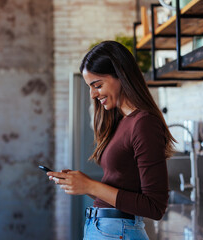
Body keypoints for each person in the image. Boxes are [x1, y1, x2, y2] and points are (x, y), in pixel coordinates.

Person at [47, 41, 176, 240]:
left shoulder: (144, 123)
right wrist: (82, 184)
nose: (92, 94)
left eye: (97, 85)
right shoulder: (122, 121)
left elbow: (154, 206)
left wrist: (90, 186)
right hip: (106, 229)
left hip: (117, 232)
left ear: (121, 75)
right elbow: (121, 194)